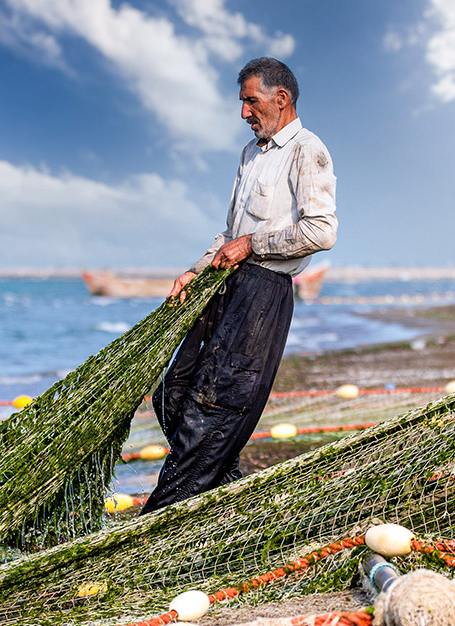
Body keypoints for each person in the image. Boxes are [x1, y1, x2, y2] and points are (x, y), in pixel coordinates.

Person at [140, 57, 337, 515]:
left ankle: (165, 512)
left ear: (280, 98)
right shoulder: (250, 154)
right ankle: (225, 488)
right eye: (242, 102)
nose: (244, 112)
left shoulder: (309, 150)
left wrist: (253, 244)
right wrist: (197, 268)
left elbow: (321, 232)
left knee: (214, 407)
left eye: (251, 101)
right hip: (222, 283)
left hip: (263, 293)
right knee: (173, 392)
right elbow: (230, 233)